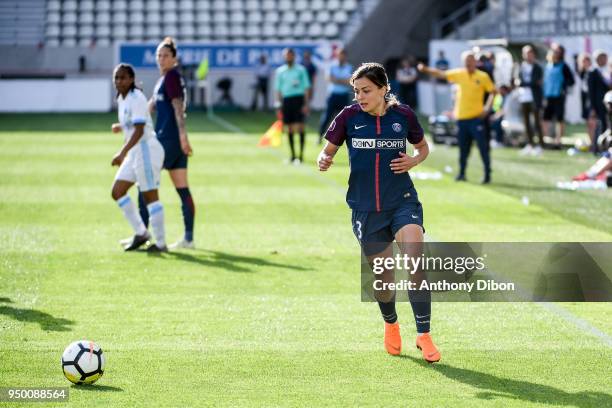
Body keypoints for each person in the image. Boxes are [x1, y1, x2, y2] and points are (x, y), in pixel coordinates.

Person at [317, 62, 440, 363]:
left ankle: (424, 335)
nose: (360, 96)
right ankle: (391, 324)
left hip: (402, 201)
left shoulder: (403, 116)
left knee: (415, 263)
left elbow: (422, 148)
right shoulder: (348, 117)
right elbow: (328, 151)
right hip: (366, 209)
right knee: (384, 279)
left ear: (384, 89)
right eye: (357, 91)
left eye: (367, 90)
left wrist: (414, 161)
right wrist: (324, 159)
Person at [139, 37, 196, 250]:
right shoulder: (164, 79)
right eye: (158, 56)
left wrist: (183, 137)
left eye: (165, 56)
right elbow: (150, 107)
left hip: (167, 141)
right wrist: (126, 121)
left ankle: (142, 233)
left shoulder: (172, 77)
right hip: (172, 142)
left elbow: (178, 107)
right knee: (182, 189)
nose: (161, 59)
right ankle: (188, 238)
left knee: (145, 184)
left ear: (174, 59)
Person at [110, 63, 167, 252]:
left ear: (131, 79)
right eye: (116, 77)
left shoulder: (137, 98)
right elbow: (134, 122)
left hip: (146, 150)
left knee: (150, 196)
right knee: (117, 191)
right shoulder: (122, 98)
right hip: (135, 151)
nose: (119, 81)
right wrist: (122, 126)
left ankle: (160, 243)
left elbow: (140, 129)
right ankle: (142, 233)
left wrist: (122, 152)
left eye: (123, 77)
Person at [419, 51, 496, 184]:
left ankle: (487, 174)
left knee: (483, 147)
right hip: (462, 119)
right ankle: (461, 173)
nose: (468, 62)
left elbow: (493, 92)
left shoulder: (482, 76)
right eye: (466, 60)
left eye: (471, 59)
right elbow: (441, 74)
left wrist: (487, 108)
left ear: (475, 61)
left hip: (477, 118)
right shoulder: (459, 74)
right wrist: (426, 69)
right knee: (463, 148)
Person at [274, 48, 311, 164]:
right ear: (284, 57)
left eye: (290, 55)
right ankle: (292, 155)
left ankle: (300, 156)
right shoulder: (280, 71)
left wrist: (305, 103)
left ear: (294, 57)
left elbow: (306, 87)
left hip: (298, 99)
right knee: (289, 128)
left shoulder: (301, 70)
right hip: (286, 101)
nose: (288, 57)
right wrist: (278, 104)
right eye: (287, 56)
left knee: (300, 127)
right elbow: (278, 90)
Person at [542, 43, 575, 149]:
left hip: (559, 96)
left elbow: (571, 80)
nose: (555, 53)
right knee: (545, 118)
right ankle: (545, 140)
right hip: (548, 95)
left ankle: (558, 141)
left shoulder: (564, 65)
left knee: (559, 119)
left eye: (558, 52)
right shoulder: (548, 65)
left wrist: (563, 86)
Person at [318, 48, 352, 144]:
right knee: (326, 117)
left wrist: (337, 79)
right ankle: (320, 136)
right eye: (340, 54)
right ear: (337, 55)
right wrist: (342, 80)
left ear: (345, 56)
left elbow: (349, 81)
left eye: (343, 55)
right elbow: (329, 78)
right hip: (332, 96)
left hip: (344, 96)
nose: (341, 56)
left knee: (345, 119)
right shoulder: (332, 66)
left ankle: (346, 139)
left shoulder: (349, 67)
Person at [515, 45, 544, 156]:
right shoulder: (521, 66)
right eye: (526, 53)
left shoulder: (537, 67)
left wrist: (523, 83)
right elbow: (518, 81)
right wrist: (524, 83)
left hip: (534, 97)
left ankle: (540, 145)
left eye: (530, 53)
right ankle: (530, 144)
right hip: (523, 97)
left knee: (536, 122)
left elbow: (536, 82)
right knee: (526, 123)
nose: (528, 56)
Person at [588, 50, 611, 154]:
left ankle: (605, 147)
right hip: (598, 104)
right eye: (602, 58)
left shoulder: (606, 71)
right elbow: (591, 91)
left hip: (608, 104)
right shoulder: (593, 71)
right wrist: (592, 107)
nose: (604, 60)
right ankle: (597, 148)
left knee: (606, 125)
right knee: (600, 125)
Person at [577, 53, 597, 149]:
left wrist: (593, 106)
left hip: (592, 102)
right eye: (583, 61)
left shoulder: (593, 72)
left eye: (586, 60)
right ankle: (591, 143)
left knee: (592, 122)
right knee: (588, 123)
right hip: (585, 101)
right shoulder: (583, 73)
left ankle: (595, 143)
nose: (585, 63)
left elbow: (594, 91)